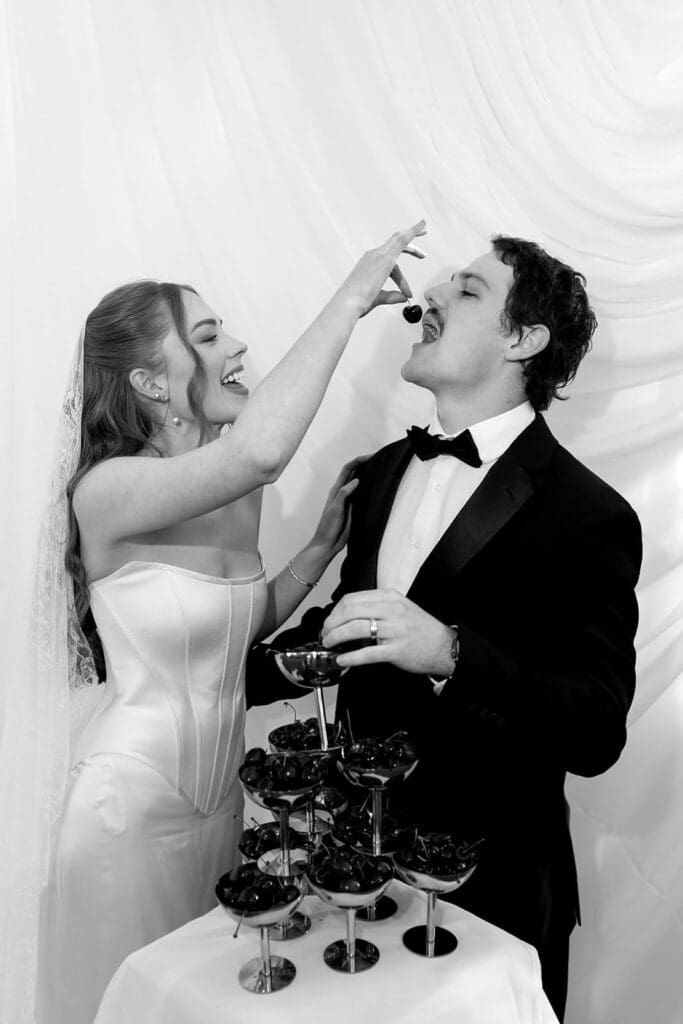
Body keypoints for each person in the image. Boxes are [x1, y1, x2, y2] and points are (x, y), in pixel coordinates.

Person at [31, 220, 427, 1024]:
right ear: (148, 381)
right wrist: (350, 298)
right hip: (127, 815)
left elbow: (239, 627)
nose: (237, 345)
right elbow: (259, 451)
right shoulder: (105, 491)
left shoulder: (231, 491)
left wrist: (315, 552)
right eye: (208, 335)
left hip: (220, 811)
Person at [250, 235, 642, 1022]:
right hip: (352, 882)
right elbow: (347, 630)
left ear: (522, 340)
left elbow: (596, 729)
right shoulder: (386, 469)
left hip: (489, 898)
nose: (427, 302)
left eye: (464, 292)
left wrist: (450, 654)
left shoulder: (590, 515)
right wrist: (219, 680)